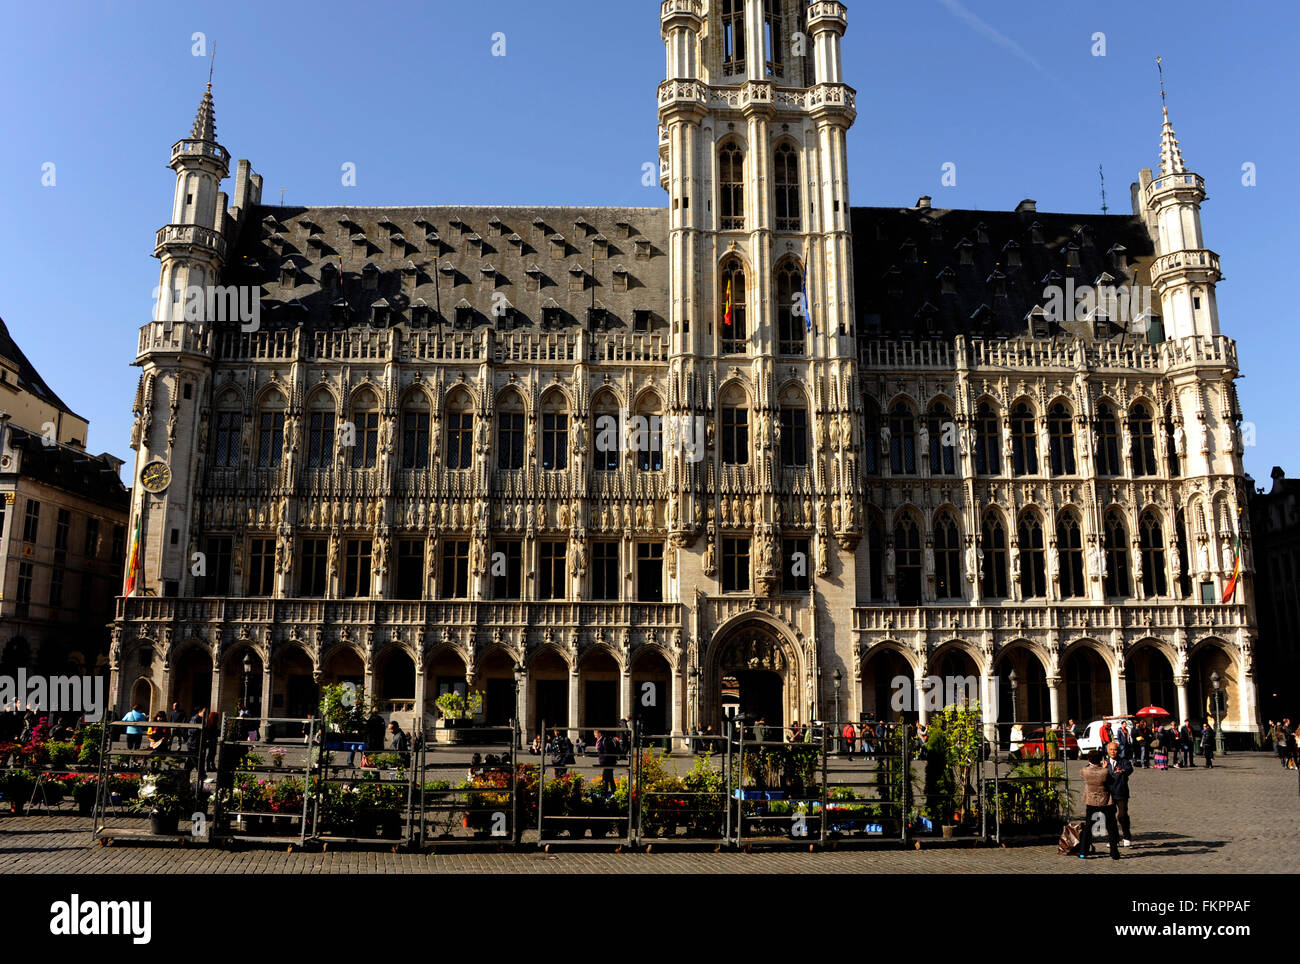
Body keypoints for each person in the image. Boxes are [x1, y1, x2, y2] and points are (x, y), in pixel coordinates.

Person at [1078, 749, 1120, 860]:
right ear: (1101, 759)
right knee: (1111, 827)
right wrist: (1105, 768)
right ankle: (1114, 852)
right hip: (1105, 801)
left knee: (1088, 827)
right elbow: (1111, 781)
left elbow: (1086, 771)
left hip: (1091, 800)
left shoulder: (1084, 771)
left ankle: (1083, 851)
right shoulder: (1104, 772)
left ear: (1089, 759)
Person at [1106, 741, 1133, 847]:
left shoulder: (1123, 761)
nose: (1113, 752)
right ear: (1108, 751)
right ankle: (1113, 838)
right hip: (1108, 794)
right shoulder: (1104, 762)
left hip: (1121, 792)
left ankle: (1126, 836)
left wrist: (1123, 771)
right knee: (1110, 818)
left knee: (1122, 815)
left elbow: (1130, 769)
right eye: (1111, 749)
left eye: (1115, 749)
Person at [594, 728, 618, 796]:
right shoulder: (601, 740)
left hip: (608, 762)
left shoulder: (605, 740)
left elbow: (607, 752)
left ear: (599, 734)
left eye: (595, 734)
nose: (594, 736)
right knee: (610, 777)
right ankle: (613, 791)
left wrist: (604, 763)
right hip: (607, 762)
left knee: (605, 777)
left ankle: (605, 792)